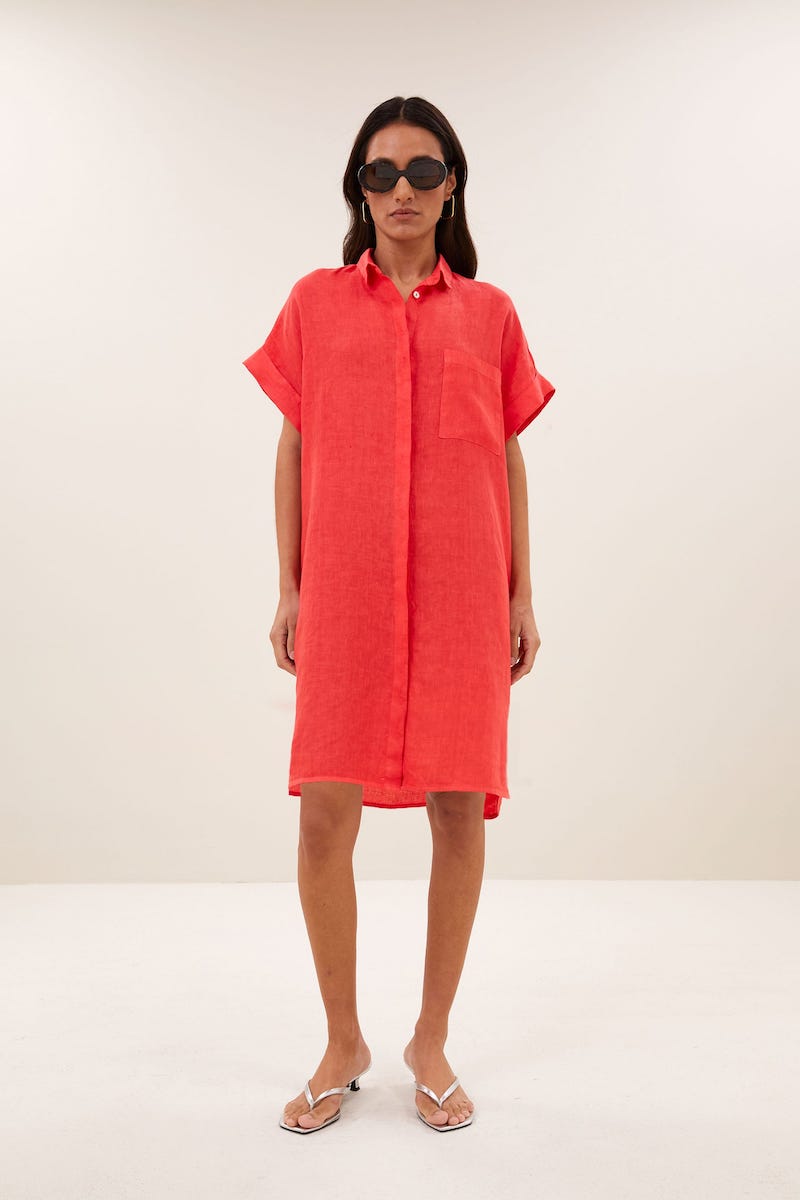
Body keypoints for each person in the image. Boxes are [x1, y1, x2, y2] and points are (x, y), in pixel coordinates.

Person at [242, 95, 555, 1134]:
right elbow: (293, 447)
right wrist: (290, 586)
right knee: (321, 815)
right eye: (381, 173)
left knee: (457, 809)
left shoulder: (490, 313)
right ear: (359, 190)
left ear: (450, 185)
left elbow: (507, 456)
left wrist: (520, 592)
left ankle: (430, 1038)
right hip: (345, 591)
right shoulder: (314, 304)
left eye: (423, 171)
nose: (403, 190)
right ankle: (343, 1040)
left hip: (463, 593)